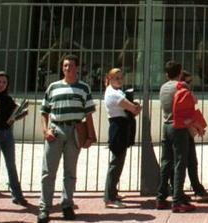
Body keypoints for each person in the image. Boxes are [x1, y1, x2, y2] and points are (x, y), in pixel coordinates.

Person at [38, 55, 96, 223]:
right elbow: (44, 111)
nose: (67, 68)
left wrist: (90, 136)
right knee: (48, 171)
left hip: (75, 130)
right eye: (64, 66)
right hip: (55, 129)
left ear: (77, 67)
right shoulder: (53, 87)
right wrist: (45, 130)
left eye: (70, 65)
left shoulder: (84, 88)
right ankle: (44, 208)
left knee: (70, 172)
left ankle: (67, 205)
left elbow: (89, 114)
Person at [155, 61, 195, 213]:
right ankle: (177, 200)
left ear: (166, 74)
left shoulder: (163, 87)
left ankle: (161, 197)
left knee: (166, 162)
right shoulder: (182, 86)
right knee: (180, 163)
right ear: (180, 73)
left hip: (166, 126)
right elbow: (193, 102)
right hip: (179, 127)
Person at [0, 72, 27, 212]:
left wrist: (19, 114)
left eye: (4, 83)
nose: (1, 84)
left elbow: (11, 116)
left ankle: (17, 195)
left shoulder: (8, 99)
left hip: (7, 134)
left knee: (11, 165)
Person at [103, 68, 142, 209]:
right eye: (116, 78)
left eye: (121, 78)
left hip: (122, 126)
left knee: (118, 162)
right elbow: (133, 109)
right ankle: (110, 198)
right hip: (118, 127)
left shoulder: (117, 92)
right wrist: (136, 106)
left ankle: (112, 192)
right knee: (116, 163)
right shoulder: (114, 94)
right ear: (109, 78)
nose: (119, 80)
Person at [174, 71, 208, 202]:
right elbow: (186, 114)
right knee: (186, 162)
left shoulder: (168, 88)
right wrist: (196, 126)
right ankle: (180, 195)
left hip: (173, 128)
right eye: (188, 81)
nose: (190, 84)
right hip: (181, 128)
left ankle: (169, 193)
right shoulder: (181, 91)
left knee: (176, 162)